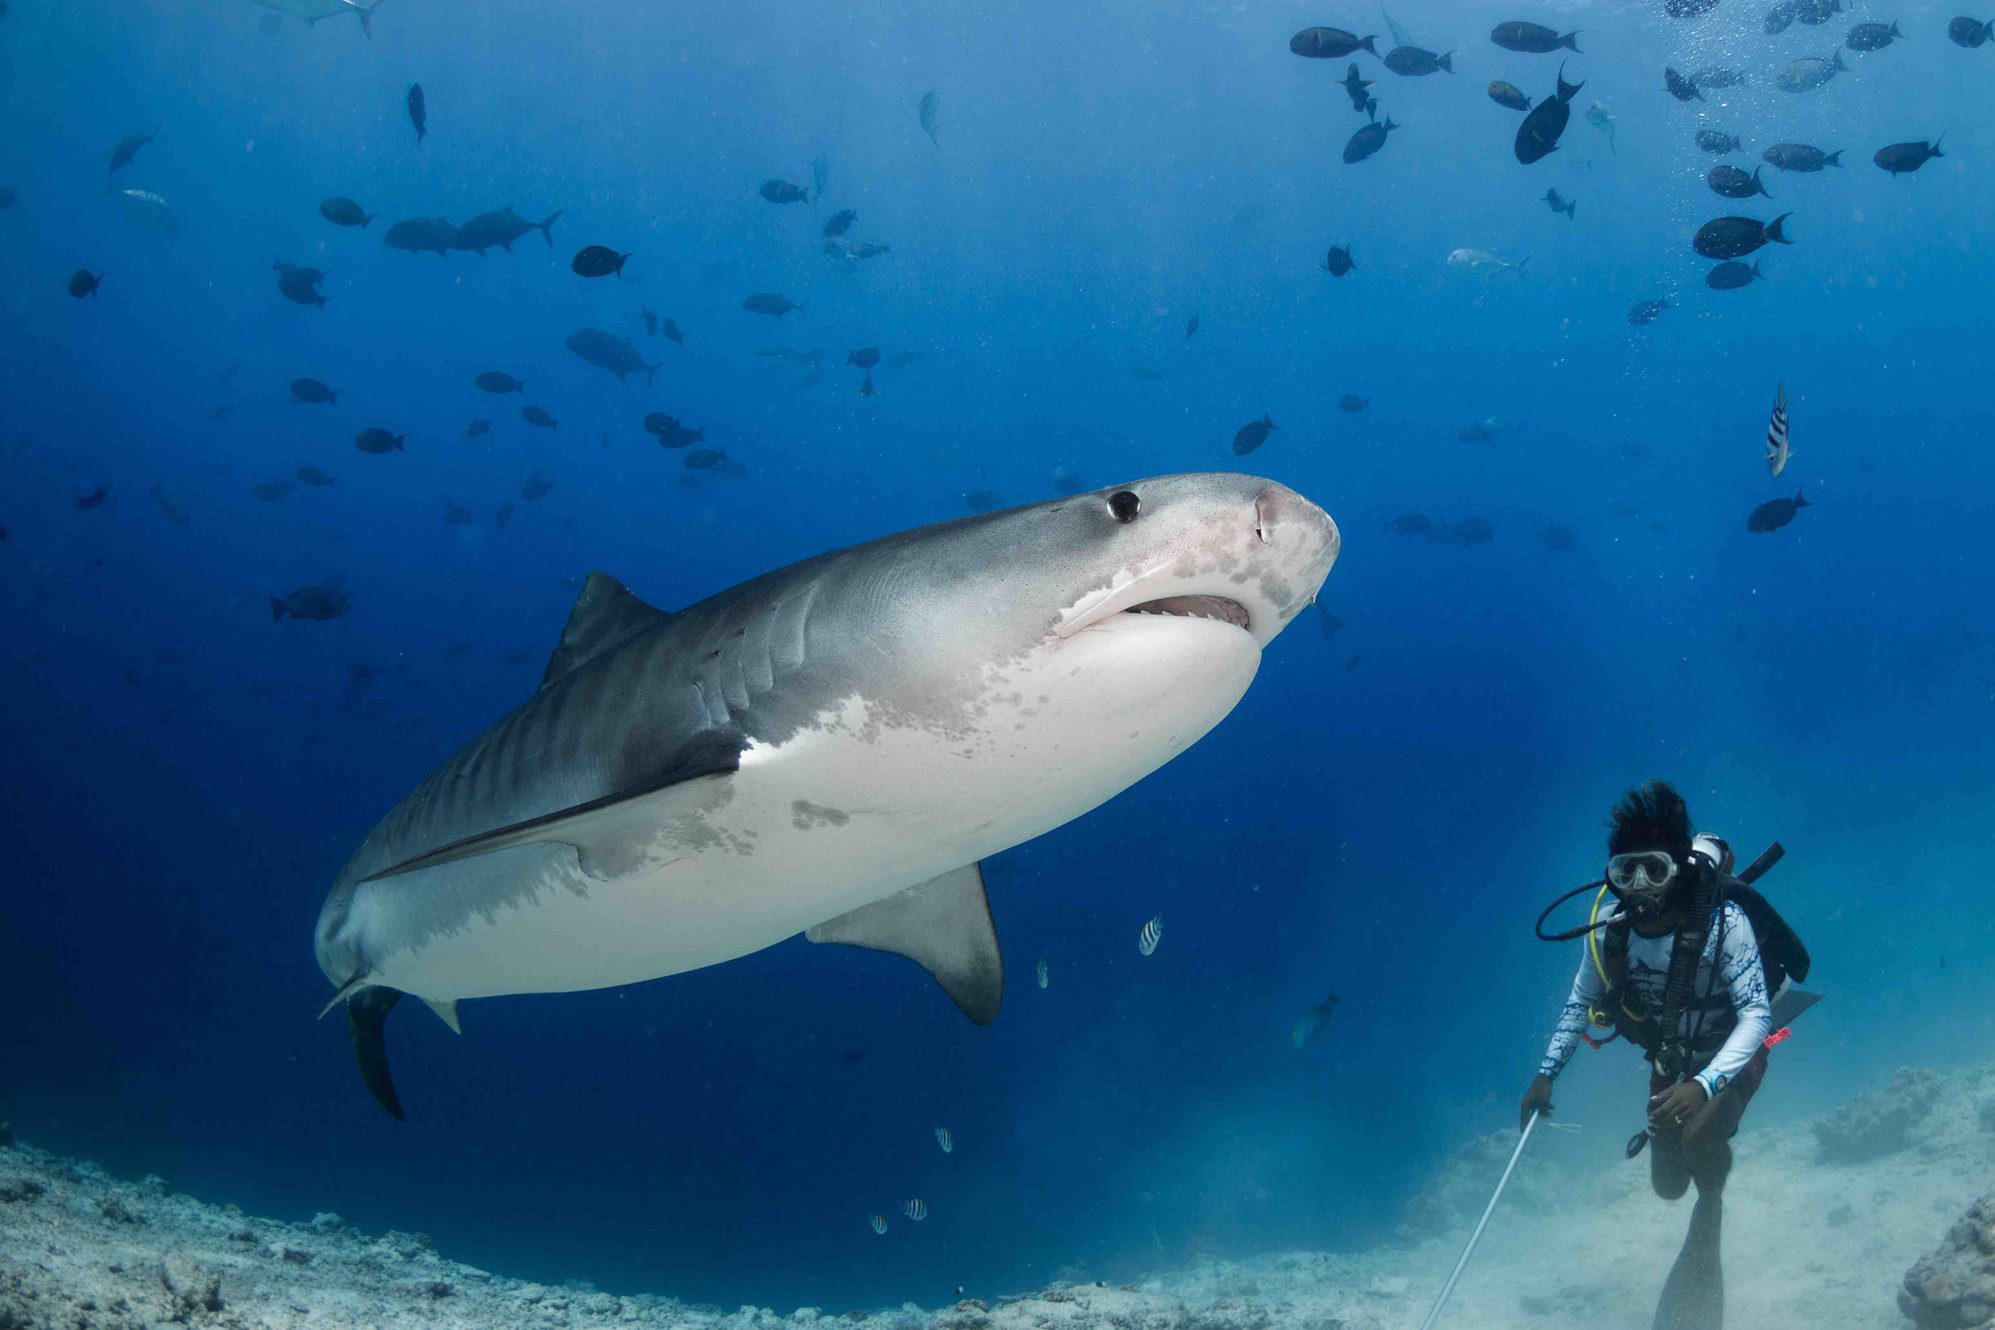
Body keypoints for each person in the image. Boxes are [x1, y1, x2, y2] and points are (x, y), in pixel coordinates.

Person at [1520, 780, 1773, 1329]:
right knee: (1666, 1186)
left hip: (1729, 1055)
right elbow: (1580, 1002)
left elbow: (1757, 1014)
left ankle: (1711, 1213)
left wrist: (1704, 1085)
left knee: (1699, 1140)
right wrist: (1546, 1076)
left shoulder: (1724, 924)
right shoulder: (1612, 932)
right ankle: (1697, 1179)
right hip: (1671, 1062)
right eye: (1625, 871)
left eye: (1654, 870)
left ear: (1678, 868)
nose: (1639, 888)